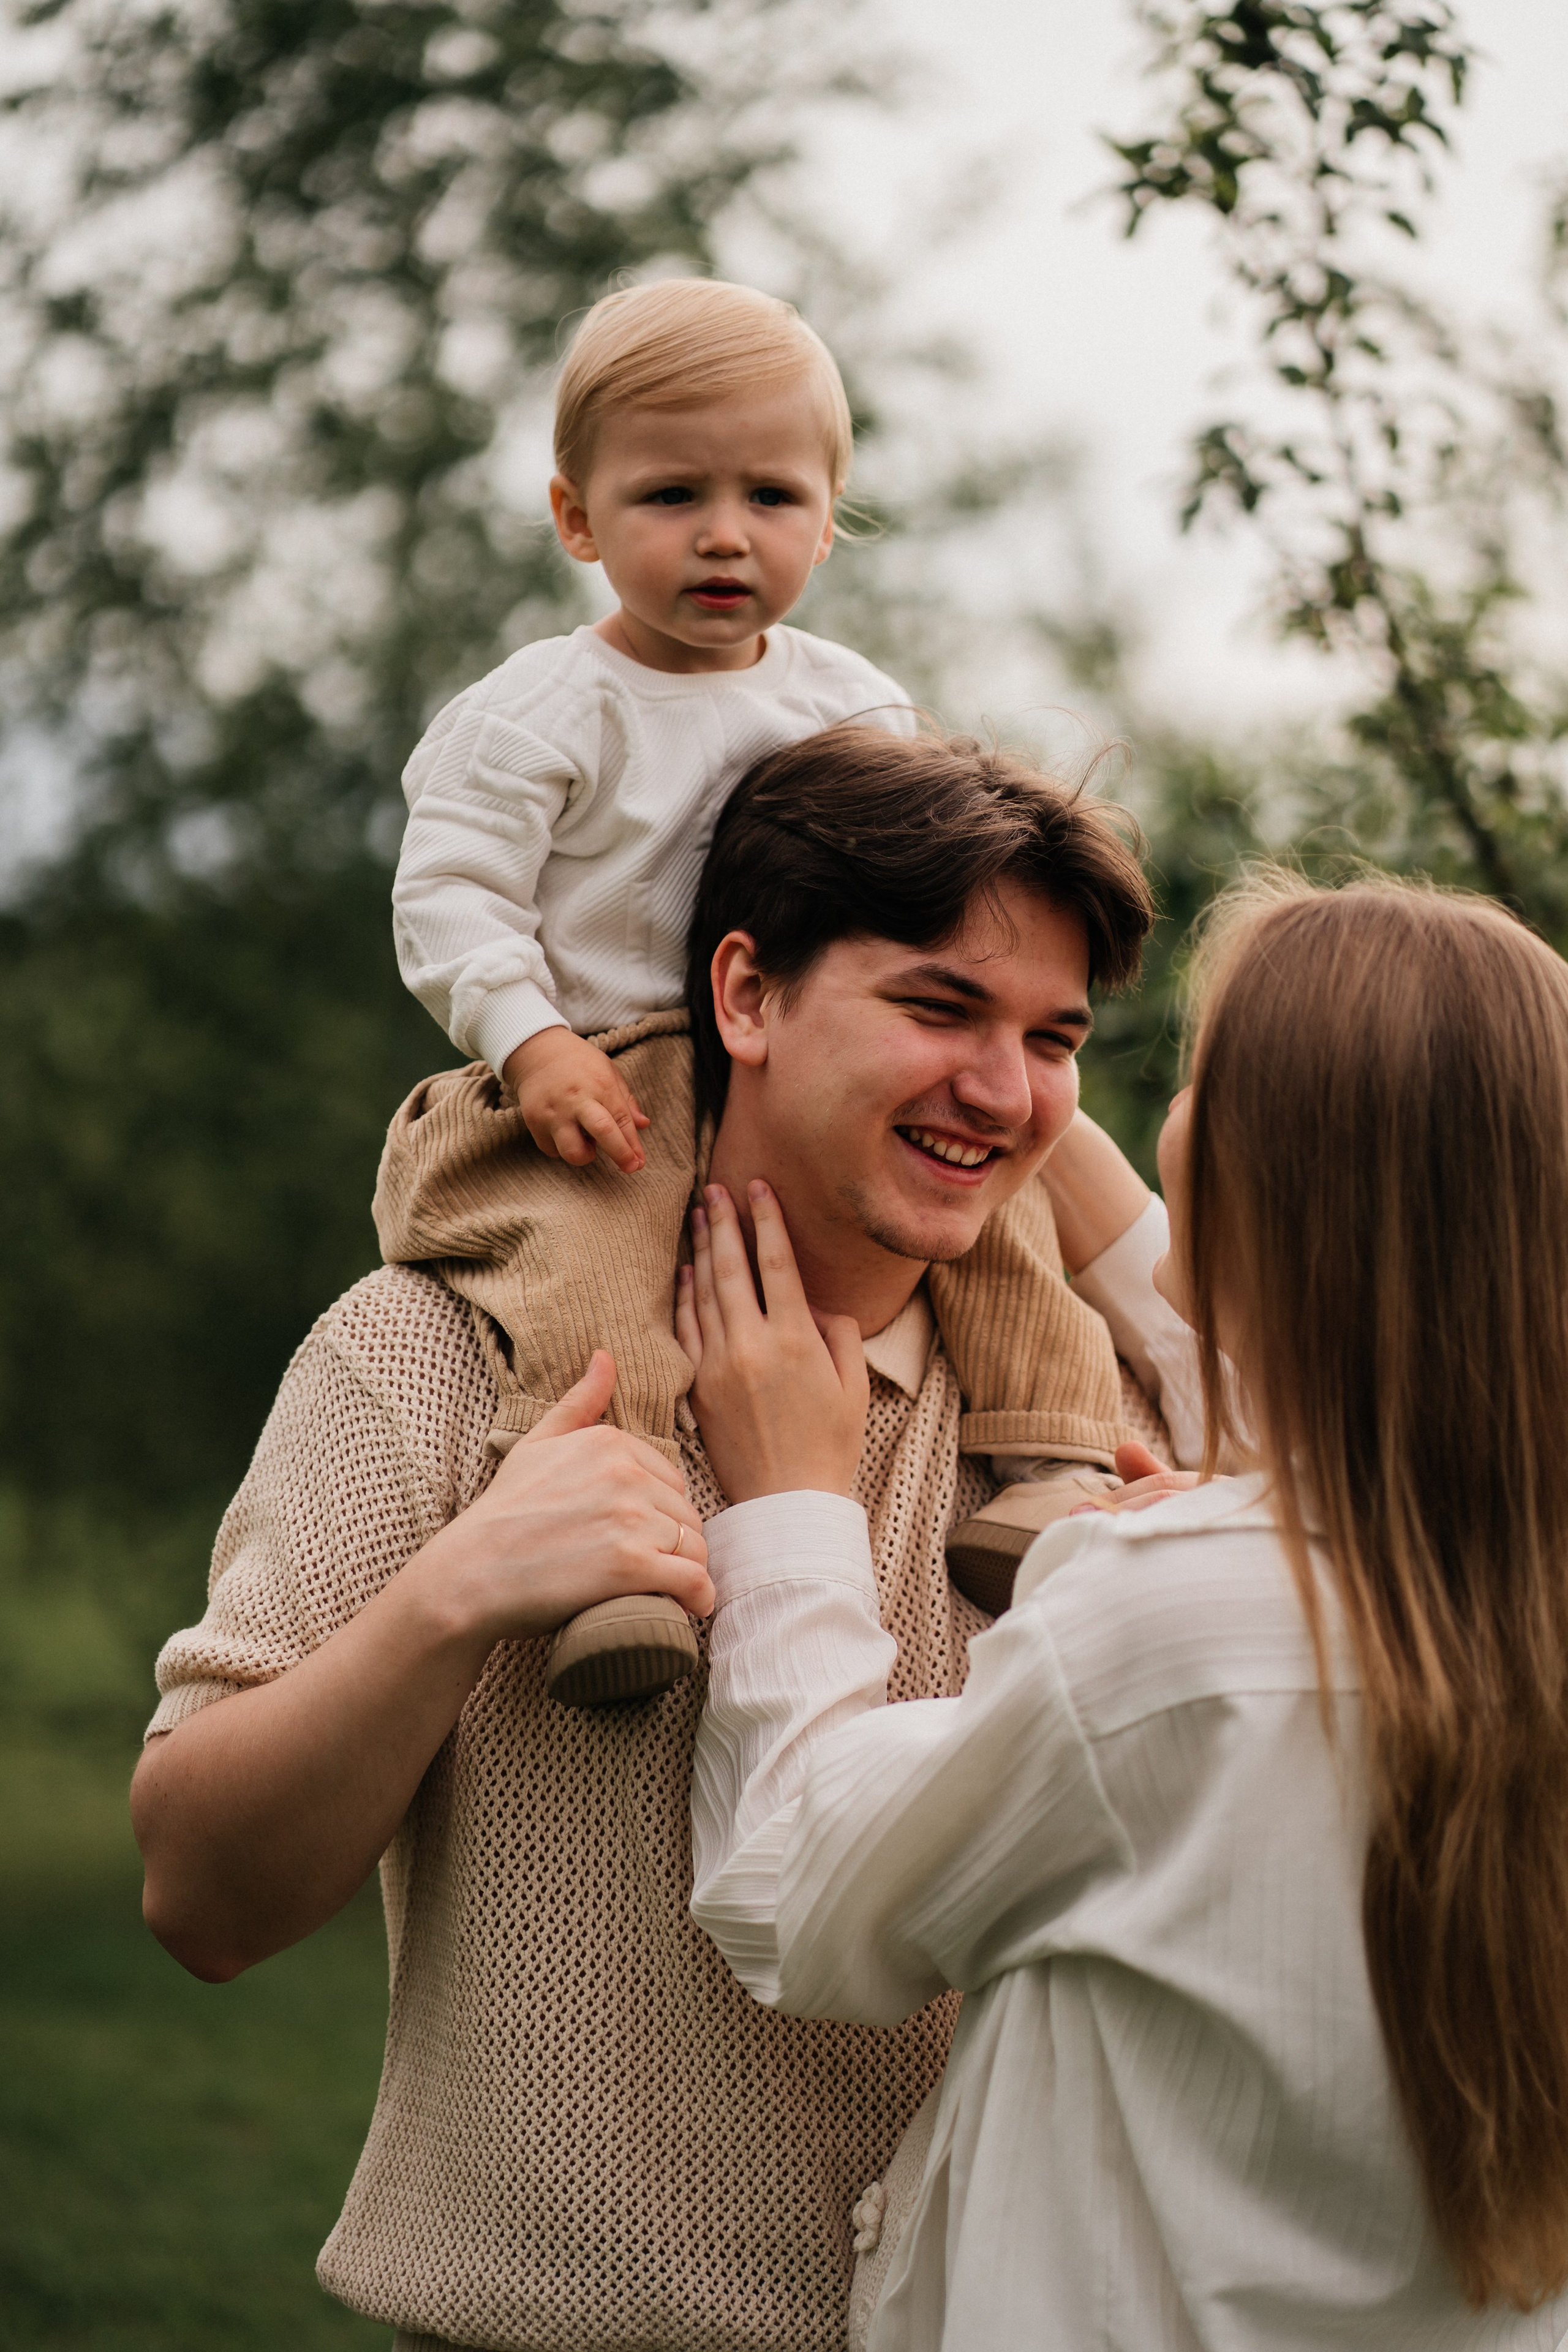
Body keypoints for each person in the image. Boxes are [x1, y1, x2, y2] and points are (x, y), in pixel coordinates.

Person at [130, 741, 1155, 2352]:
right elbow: (203, 1895)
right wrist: (451, 1597)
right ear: (742, 994)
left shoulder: (1109, 1430)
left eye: (1055, 1039)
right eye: (940, 1010)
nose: (1006, 1093)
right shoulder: (423, 1357)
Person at [685, 872, 1568, 2349]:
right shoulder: (1478, 1587)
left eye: (1196, 1078)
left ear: (1264, 1174)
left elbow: (798, 1891)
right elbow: (1390, 1423)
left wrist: (789, 1510)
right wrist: (1021, 1106)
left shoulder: (1169, 1624)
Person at [378, 276, 1151, 1706]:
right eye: (671, 494)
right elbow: (451, 897)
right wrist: (527, 1039)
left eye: (773, 497)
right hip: (605, 1064)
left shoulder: (845, 700)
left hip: (798, 1055)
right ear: (577, 519)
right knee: (590, 1282)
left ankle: (1048, 1461)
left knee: (997, 1229)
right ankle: (612, 1556)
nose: (725, 534)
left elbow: (934, 879)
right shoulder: (543, 712)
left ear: (828, 518)